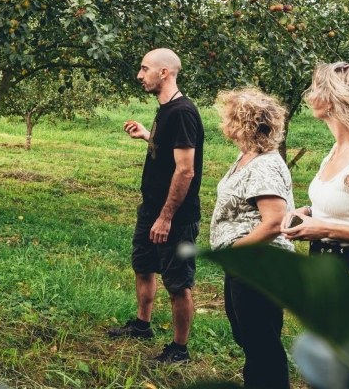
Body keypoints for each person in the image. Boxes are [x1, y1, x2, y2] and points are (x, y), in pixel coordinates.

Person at [107, 48, 203, 365]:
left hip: (174, 216)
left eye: (144, 68)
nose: (139, 74)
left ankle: (179, 349)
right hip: (151, 210)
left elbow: (185, 169)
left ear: (164, 73)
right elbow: (169, 152)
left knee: (177, 283)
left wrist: (165, 217)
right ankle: (142, 325)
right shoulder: (165, 110)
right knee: (143, 266)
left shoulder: (183, 112)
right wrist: (148, 137)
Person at [211, 88, 294, 389]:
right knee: (250, 339)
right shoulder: (248, 156)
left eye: (228, 118)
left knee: (262, 346)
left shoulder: (264, 166)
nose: (224, 124)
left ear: (242, 123)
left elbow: (273, 223)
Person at [282, 61, 349, 277]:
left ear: (333, 101)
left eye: (316, 89)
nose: (308, 96)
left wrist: (324, 229)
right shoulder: (337, 149)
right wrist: (308, 212)